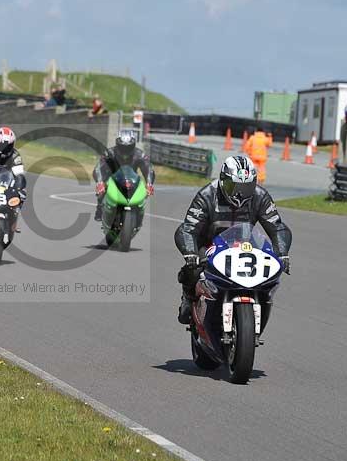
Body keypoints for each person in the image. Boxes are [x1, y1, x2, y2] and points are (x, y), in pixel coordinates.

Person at [175, 156, 292, 325]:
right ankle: (188, 298)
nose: (240, 193)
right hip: (209, 245)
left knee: (268, 277)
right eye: (234, 186)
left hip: (244, 245)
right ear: (223, 181)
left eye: (246, 187)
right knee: (192, 271)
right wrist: (190, 254)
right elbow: (188, 228)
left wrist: (282, 253)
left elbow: (277, 227)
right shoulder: (206, 195)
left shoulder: (260, 196)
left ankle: (257, 306)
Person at [92, 129, 155, 222]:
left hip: (131, 180)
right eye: (123, 147)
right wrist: (100, 182)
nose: (125, 150)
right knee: (102, 189)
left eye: (128, 147)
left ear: (133, 145)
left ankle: (138, 212)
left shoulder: (140, 154)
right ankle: (100, 209)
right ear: (117, 144)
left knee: (143, 191)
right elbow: (98, 168)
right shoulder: (109, 153)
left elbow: (148, 168)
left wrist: (149, 183)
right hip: (112, 178)